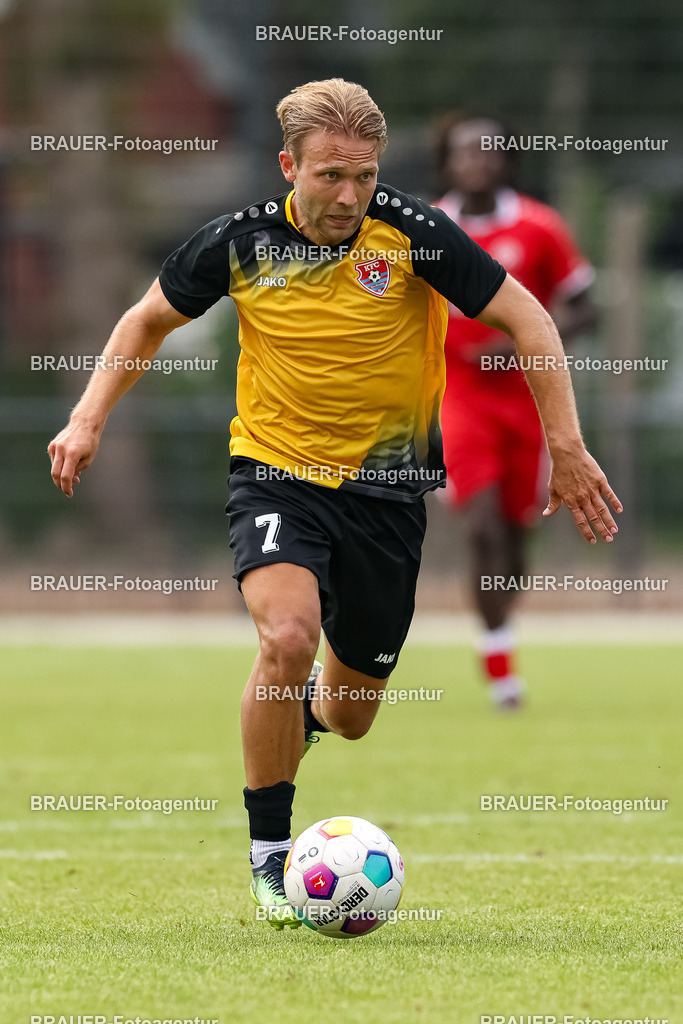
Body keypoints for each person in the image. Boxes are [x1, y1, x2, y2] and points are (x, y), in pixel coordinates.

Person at [48, 80, 621, 930]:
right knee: (286, 638)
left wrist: (566, 449)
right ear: (289, 167)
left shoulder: (414, 233)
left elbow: (530, 319)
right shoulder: (241, 241)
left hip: (387, 497)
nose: (349, 195)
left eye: (364, 175)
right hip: (275, 476)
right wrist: (87, 418)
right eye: (329, 176)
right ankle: (269, 858)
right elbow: (145, 321)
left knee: (350, 716)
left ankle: (305, 714)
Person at [435, 114, 597, 709]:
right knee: (480, 529)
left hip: (530, 400)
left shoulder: (538, 227)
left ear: (507, 161)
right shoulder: (427, 229)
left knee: (514, 536)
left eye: (489, 151)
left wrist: (527, 339)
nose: (477, 161)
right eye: (465, 152)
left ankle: (500, 626)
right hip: (457, 396)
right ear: (447, 163)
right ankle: (501, 669)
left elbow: (586, 307)